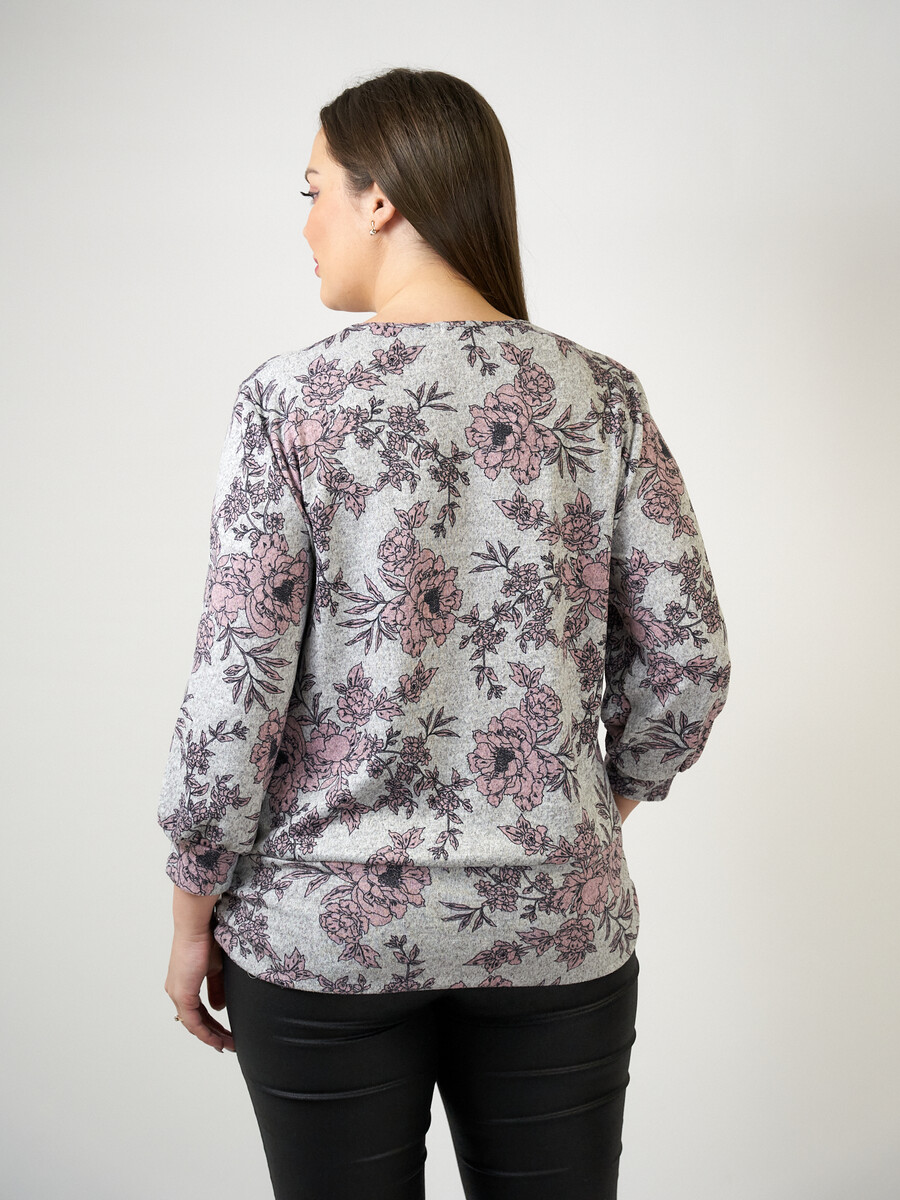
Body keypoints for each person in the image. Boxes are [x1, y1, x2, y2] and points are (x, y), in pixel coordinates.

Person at [159, 66, 731, 1200]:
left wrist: (190, 913)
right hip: (554, 921)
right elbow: (688, 658)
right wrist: (587, 811)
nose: (307, 225)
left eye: (313, 190)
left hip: (323, 935)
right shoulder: (600, 396)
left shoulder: (288, 404)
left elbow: (235, 696)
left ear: (380, 199)